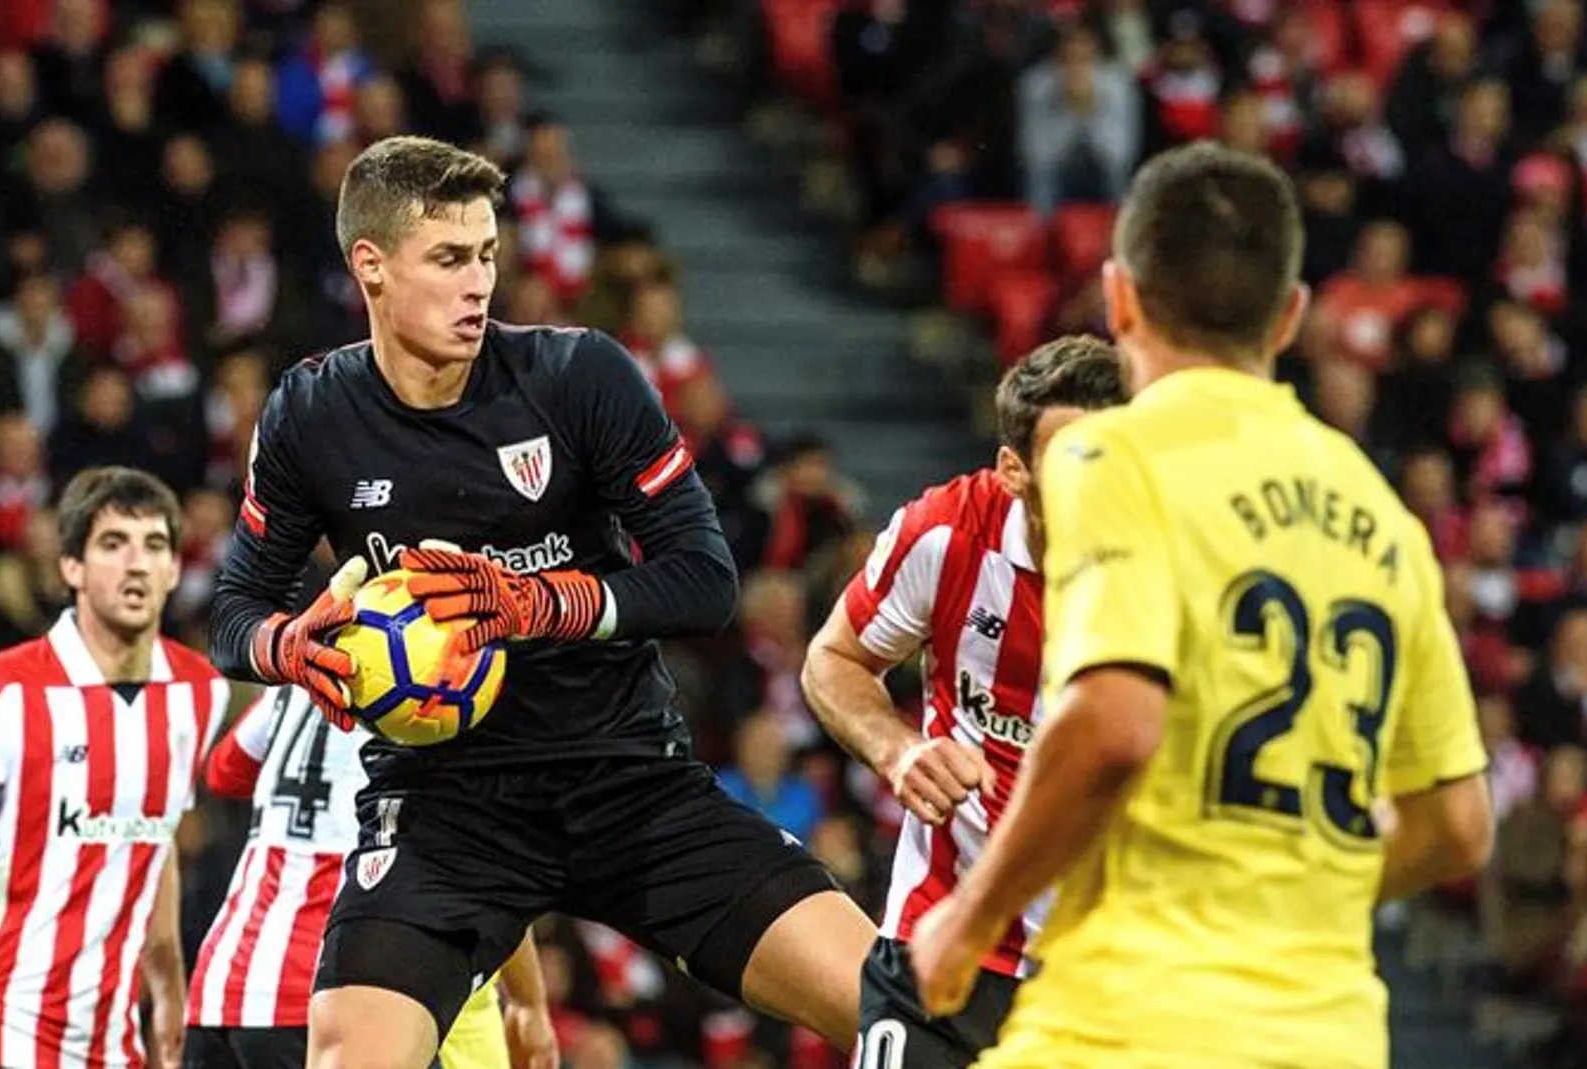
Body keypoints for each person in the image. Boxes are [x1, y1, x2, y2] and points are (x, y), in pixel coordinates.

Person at [207, 135, 875, 1069]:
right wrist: (287, 644)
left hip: (627, 775)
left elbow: (704, 575)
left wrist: (534, 603)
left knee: (896, 1016)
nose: (479, 283)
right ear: (371, 266)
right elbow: (235, 606)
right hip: (447, 806)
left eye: (487, 254)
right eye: (448, 259)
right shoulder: (311, 414)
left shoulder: (577, 375)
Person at [908, 142, 1496, 1069]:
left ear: (1120, 299)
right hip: (1330, 1033)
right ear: (1292, 314)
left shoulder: (1115, 457)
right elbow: (1458, 824)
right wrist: (1296, 891)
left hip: (1136, 1021)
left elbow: (1113, 723)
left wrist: (966, 917)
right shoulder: (1383, 514)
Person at [800, 336, 1127, 1066]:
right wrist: (898, 749)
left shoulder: (1177, 564)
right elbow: (834, 659)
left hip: (1109, 974)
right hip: (941, 951)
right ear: (1014, 469)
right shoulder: (948, 535)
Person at [0, 467, 231, 1069]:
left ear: (174, 569)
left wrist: (168, 998)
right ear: (71, 568)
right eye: (113, 544)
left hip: (112, 1043)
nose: (136, 564)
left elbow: (150, 847)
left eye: (154, 545)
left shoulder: (197, 692)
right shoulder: (2, 690)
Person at [185, 674, 557, 1069]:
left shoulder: (301, 663)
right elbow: (476, 870)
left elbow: (225, 770)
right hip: (332, 996)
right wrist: (529, 1001)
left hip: (220, 992)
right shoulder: (437, 691)